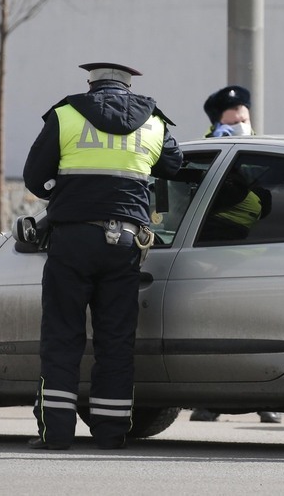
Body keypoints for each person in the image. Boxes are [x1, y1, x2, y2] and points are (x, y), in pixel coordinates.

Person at [23, 62, 183, 450]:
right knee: (116, 340)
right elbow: (175, 166)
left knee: (63, 336)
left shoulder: (66, 115)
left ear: (91, 84)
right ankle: (111, 434)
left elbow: (33, 177)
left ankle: (56, 434)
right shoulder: (154, 121)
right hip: (126, 242)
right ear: (129, 86)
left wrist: (68, 192)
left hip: (73, 239)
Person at [189, 85, 281, 425]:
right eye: (234, 117)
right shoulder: (206, 149)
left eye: (245, 115)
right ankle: (210, 401)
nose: (242, 120)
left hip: (260, 250)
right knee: (213, 329)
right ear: (217, 121)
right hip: (215, 249)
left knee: (258, 329)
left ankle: (264, 399)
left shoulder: (269, 152)